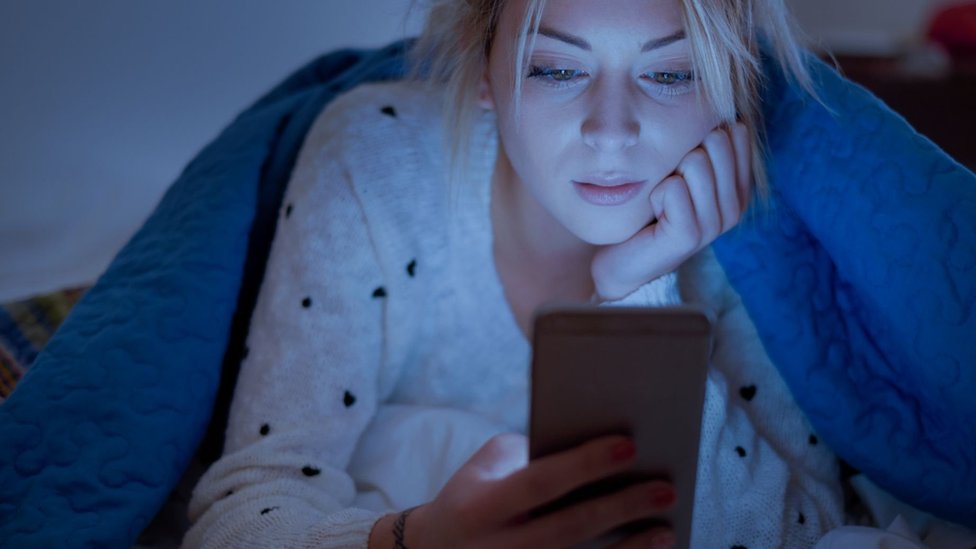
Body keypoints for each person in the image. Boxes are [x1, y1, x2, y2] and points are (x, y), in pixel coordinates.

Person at [182, 0, 845, 547]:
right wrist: (414, 539)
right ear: (482, 74)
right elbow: (241, 508)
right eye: (555, 69)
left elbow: (812, 529)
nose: (610, 133)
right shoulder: (377, 165)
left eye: (671, 74)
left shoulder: (748, 226)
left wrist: (640, 288)